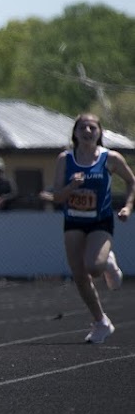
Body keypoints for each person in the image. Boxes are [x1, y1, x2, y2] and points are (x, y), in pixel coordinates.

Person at [39, 114, 133, 344]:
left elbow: (132, 182)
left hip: (100, 221)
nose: (87, 131)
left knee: (94, 267)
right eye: (82, 127)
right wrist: (72, 186)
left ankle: (107, 261)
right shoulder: (65, 159)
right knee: (80, 275)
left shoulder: (111, 158)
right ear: (75, 133)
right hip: (73, 221)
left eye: (92, 127)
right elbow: (57, 197)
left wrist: (128, 207)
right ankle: (101, 321)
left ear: (100, 132)